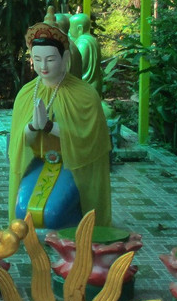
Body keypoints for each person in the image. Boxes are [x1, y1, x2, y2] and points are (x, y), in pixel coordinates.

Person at [8, 22, 111, 230]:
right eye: (37, 59)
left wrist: (49, 127)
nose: (43, 66)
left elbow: (90, 141)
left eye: (50, 59)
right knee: (23, 210)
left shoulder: (84, 95)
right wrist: (31, 128)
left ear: (65, 59)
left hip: (72, 165)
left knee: (51, 213)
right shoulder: (26, 93)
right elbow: (20, 144)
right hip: (39, 162)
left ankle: (75, 224)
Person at [69, 13, 103, 95]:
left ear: (80, 29)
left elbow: (78, 66)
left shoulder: (82, 43)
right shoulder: (92, 40)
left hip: (85, 86)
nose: (69, 32)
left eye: (70, 28)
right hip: (95, 83)